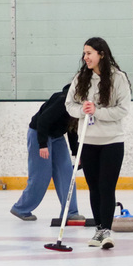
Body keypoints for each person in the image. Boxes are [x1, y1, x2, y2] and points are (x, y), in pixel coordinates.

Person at [65, 37, 131, 250]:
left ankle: (106, 230)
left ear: (101, 53)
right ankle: (99, 229)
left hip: (112, 141)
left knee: (106, 186)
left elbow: (123, 109)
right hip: (89, 141)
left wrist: (98, 112)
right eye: (84, 54)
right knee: (94, 187)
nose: (85, 58)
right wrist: (81, 110)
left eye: (89, 53)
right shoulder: (80, 78)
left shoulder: (118, 78)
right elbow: (70, 105)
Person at [10, 84, 84, 222]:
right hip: (39, 134)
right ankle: (21, 208)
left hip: (57, 137)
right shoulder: (63, 100)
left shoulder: (79, 105)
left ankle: (70, 212)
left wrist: (76, 153)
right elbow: (43, 120)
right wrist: (42, 144)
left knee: (66, 172)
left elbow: (72, 128)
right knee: (41, 175)